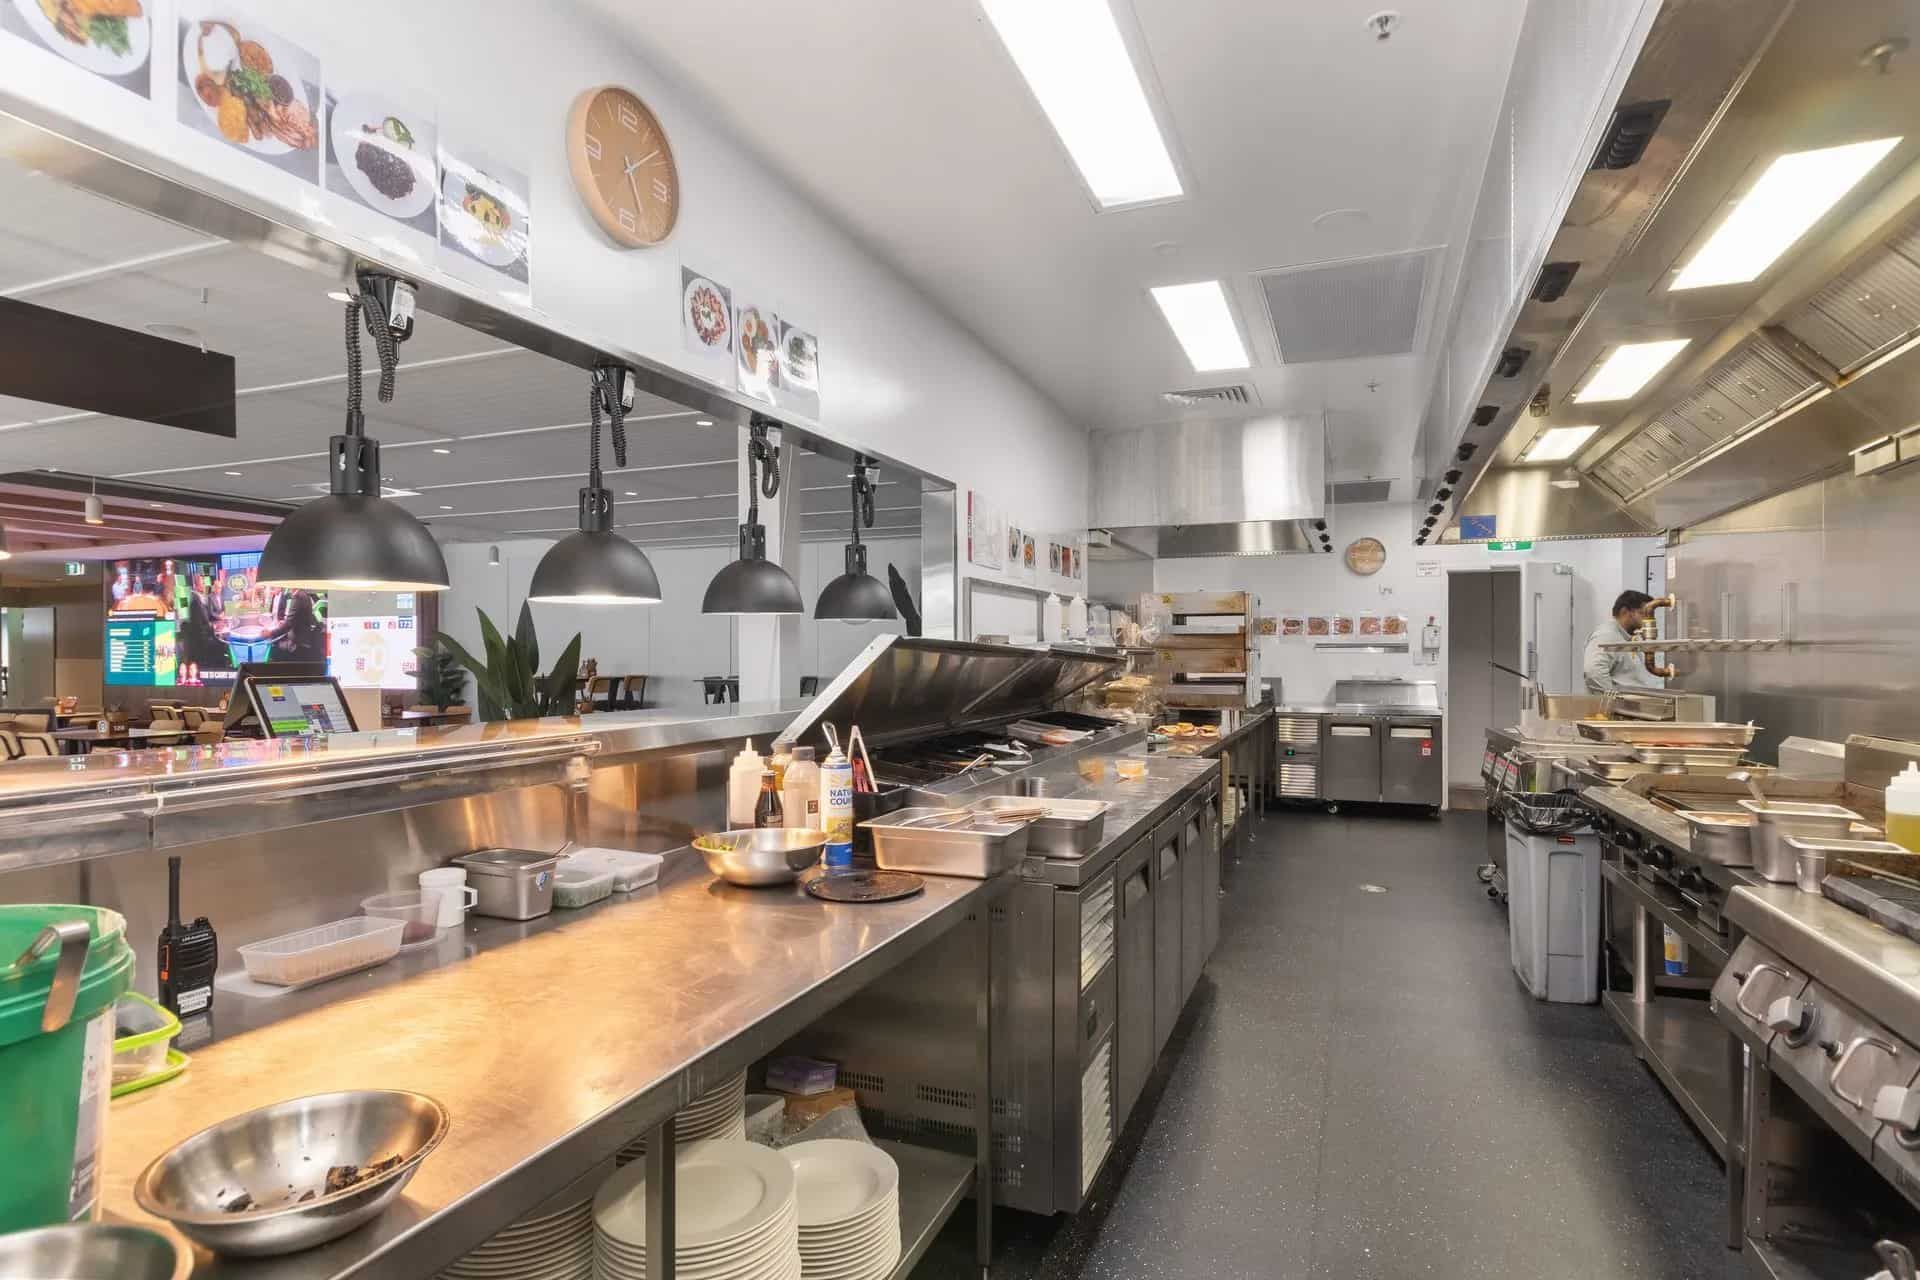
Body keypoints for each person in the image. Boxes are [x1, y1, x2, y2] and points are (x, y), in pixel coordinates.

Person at [1583, 590, 1668, 692]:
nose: (1648, 619)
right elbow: (1593, 672)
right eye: (1643, 613)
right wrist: (1613, 699)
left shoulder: (1630, 637)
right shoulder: (1607, 635)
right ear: (1625, 612)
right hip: (1621, 702)